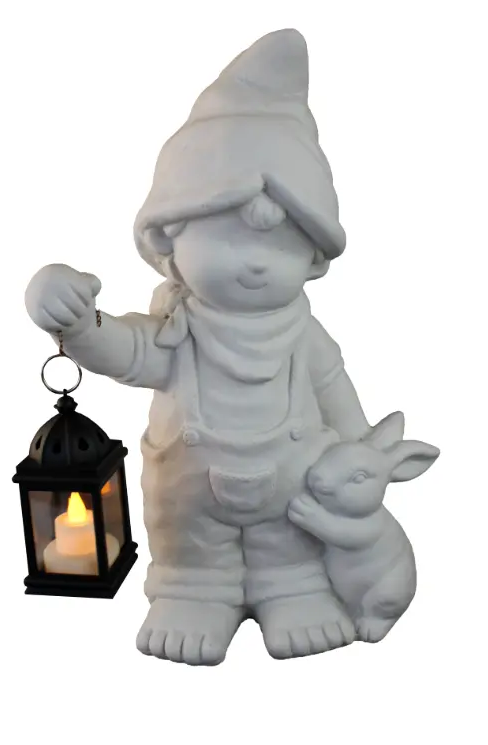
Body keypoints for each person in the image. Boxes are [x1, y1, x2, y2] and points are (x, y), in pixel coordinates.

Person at [25, 29, 371, 665]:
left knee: (291, 535)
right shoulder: (177, 326)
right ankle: (192, 593)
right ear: (169, 242)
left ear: (314, 257)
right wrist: (76, 323)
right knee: (189, 534)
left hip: (293, 487)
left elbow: (335, 392)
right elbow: (128, 352)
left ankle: (293, 588)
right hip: (190, 490)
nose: (254, 264)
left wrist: (363, 452)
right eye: (225, 239)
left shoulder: (304, 333)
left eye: (281, 246)